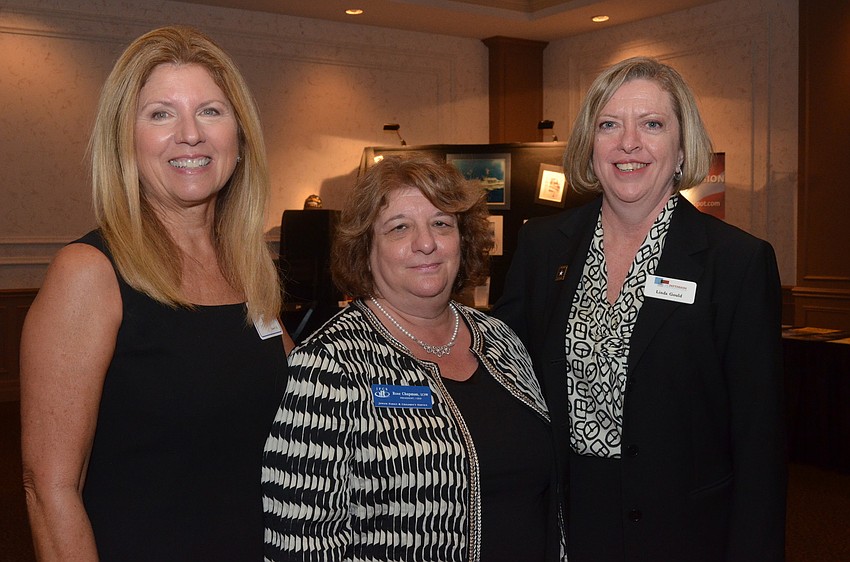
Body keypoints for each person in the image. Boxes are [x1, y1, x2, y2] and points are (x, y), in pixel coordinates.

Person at [493, 56, 786, 561]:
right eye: (610, 125)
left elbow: (760, 446)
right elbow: (506, 379)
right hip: (562, 525)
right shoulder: (543, 248)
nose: (629, 143)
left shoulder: (736, 262)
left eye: (652, 124)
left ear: (681, 147)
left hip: (683, 533)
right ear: (591, 145)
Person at [20, 25, 293, 560]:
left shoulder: (248, 271)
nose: (190, 134)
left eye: (211, 111)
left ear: (239, 137)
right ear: (125, 140)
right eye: (160, 113)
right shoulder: (90, 273)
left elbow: (304, 405)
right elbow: (48, 491)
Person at [262, 155, 565, 561]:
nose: (426, 243)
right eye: (399, 227)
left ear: (464, 239)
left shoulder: (501, 340)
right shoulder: (329, 365)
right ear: (366, 249)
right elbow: (299, 543)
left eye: (441, 223)